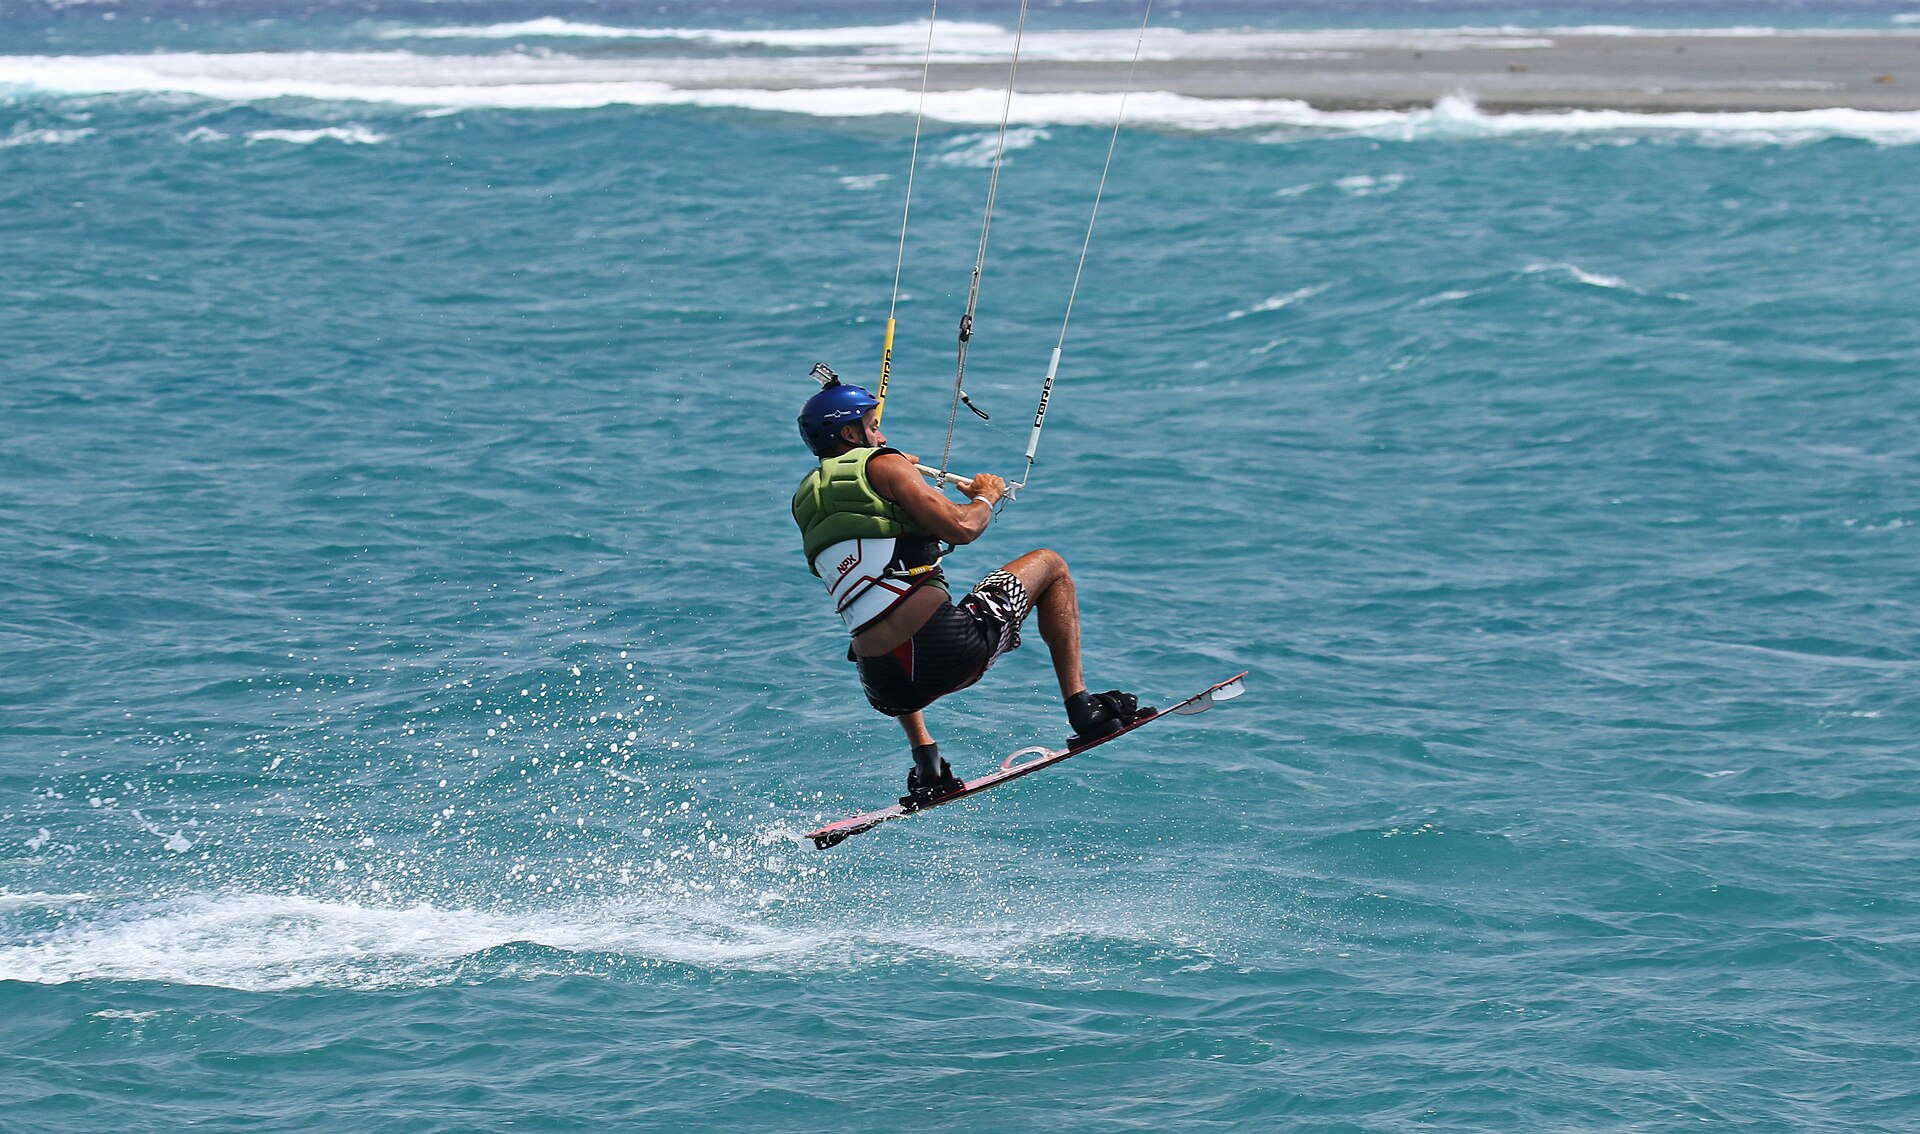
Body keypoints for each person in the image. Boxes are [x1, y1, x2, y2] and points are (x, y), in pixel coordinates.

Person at [791, 365, 1149, 807]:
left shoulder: (806, 498)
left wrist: (904, 485)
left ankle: (928, 763)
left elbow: (873, 547)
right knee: (1051, 565)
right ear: (849, 435)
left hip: (882, 686)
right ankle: (1084, 709)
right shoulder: (884, 463)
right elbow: (962, 527)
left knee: (874, 609)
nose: (881, 437)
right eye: (873, 426)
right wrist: (985, 495)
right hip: (945, 652)